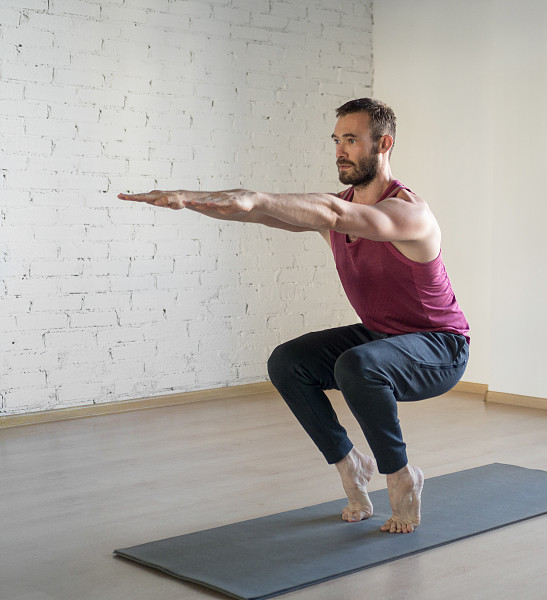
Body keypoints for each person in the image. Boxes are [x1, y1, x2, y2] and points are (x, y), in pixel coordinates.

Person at [118, 98, 470, 534]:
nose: (340, 150)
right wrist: (189, 200)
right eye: (337, 140)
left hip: (440, 347)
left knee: (356, 364)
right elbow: (259, 211)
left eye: (352, 140)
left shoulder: (408, 213)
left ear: (384, 145)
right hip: (383, 338)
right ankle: (349, 464)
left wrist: (254, 196)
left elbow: (336, 213)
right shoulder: (335, 210)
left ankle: (401, 477)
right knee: (287, 362)